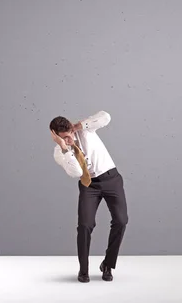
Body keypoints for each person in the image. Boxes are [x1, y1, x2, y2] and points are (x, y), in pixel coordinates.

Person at [50, 110, 128, 283]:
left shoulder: (86, 130)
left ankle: (108, 265)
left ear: (71, 128)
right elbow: (76, 172)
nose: (68, 138)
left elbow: (106, 117)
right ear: (55, 137)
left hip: (111, 179)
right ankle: (83, 270)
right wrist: (65, 148)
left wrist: (80, 125)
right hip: (88, 185)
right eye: (63, 137)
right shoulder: (59, 152)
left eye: (69, 134)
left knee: (121, 221)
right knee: (85, 225)